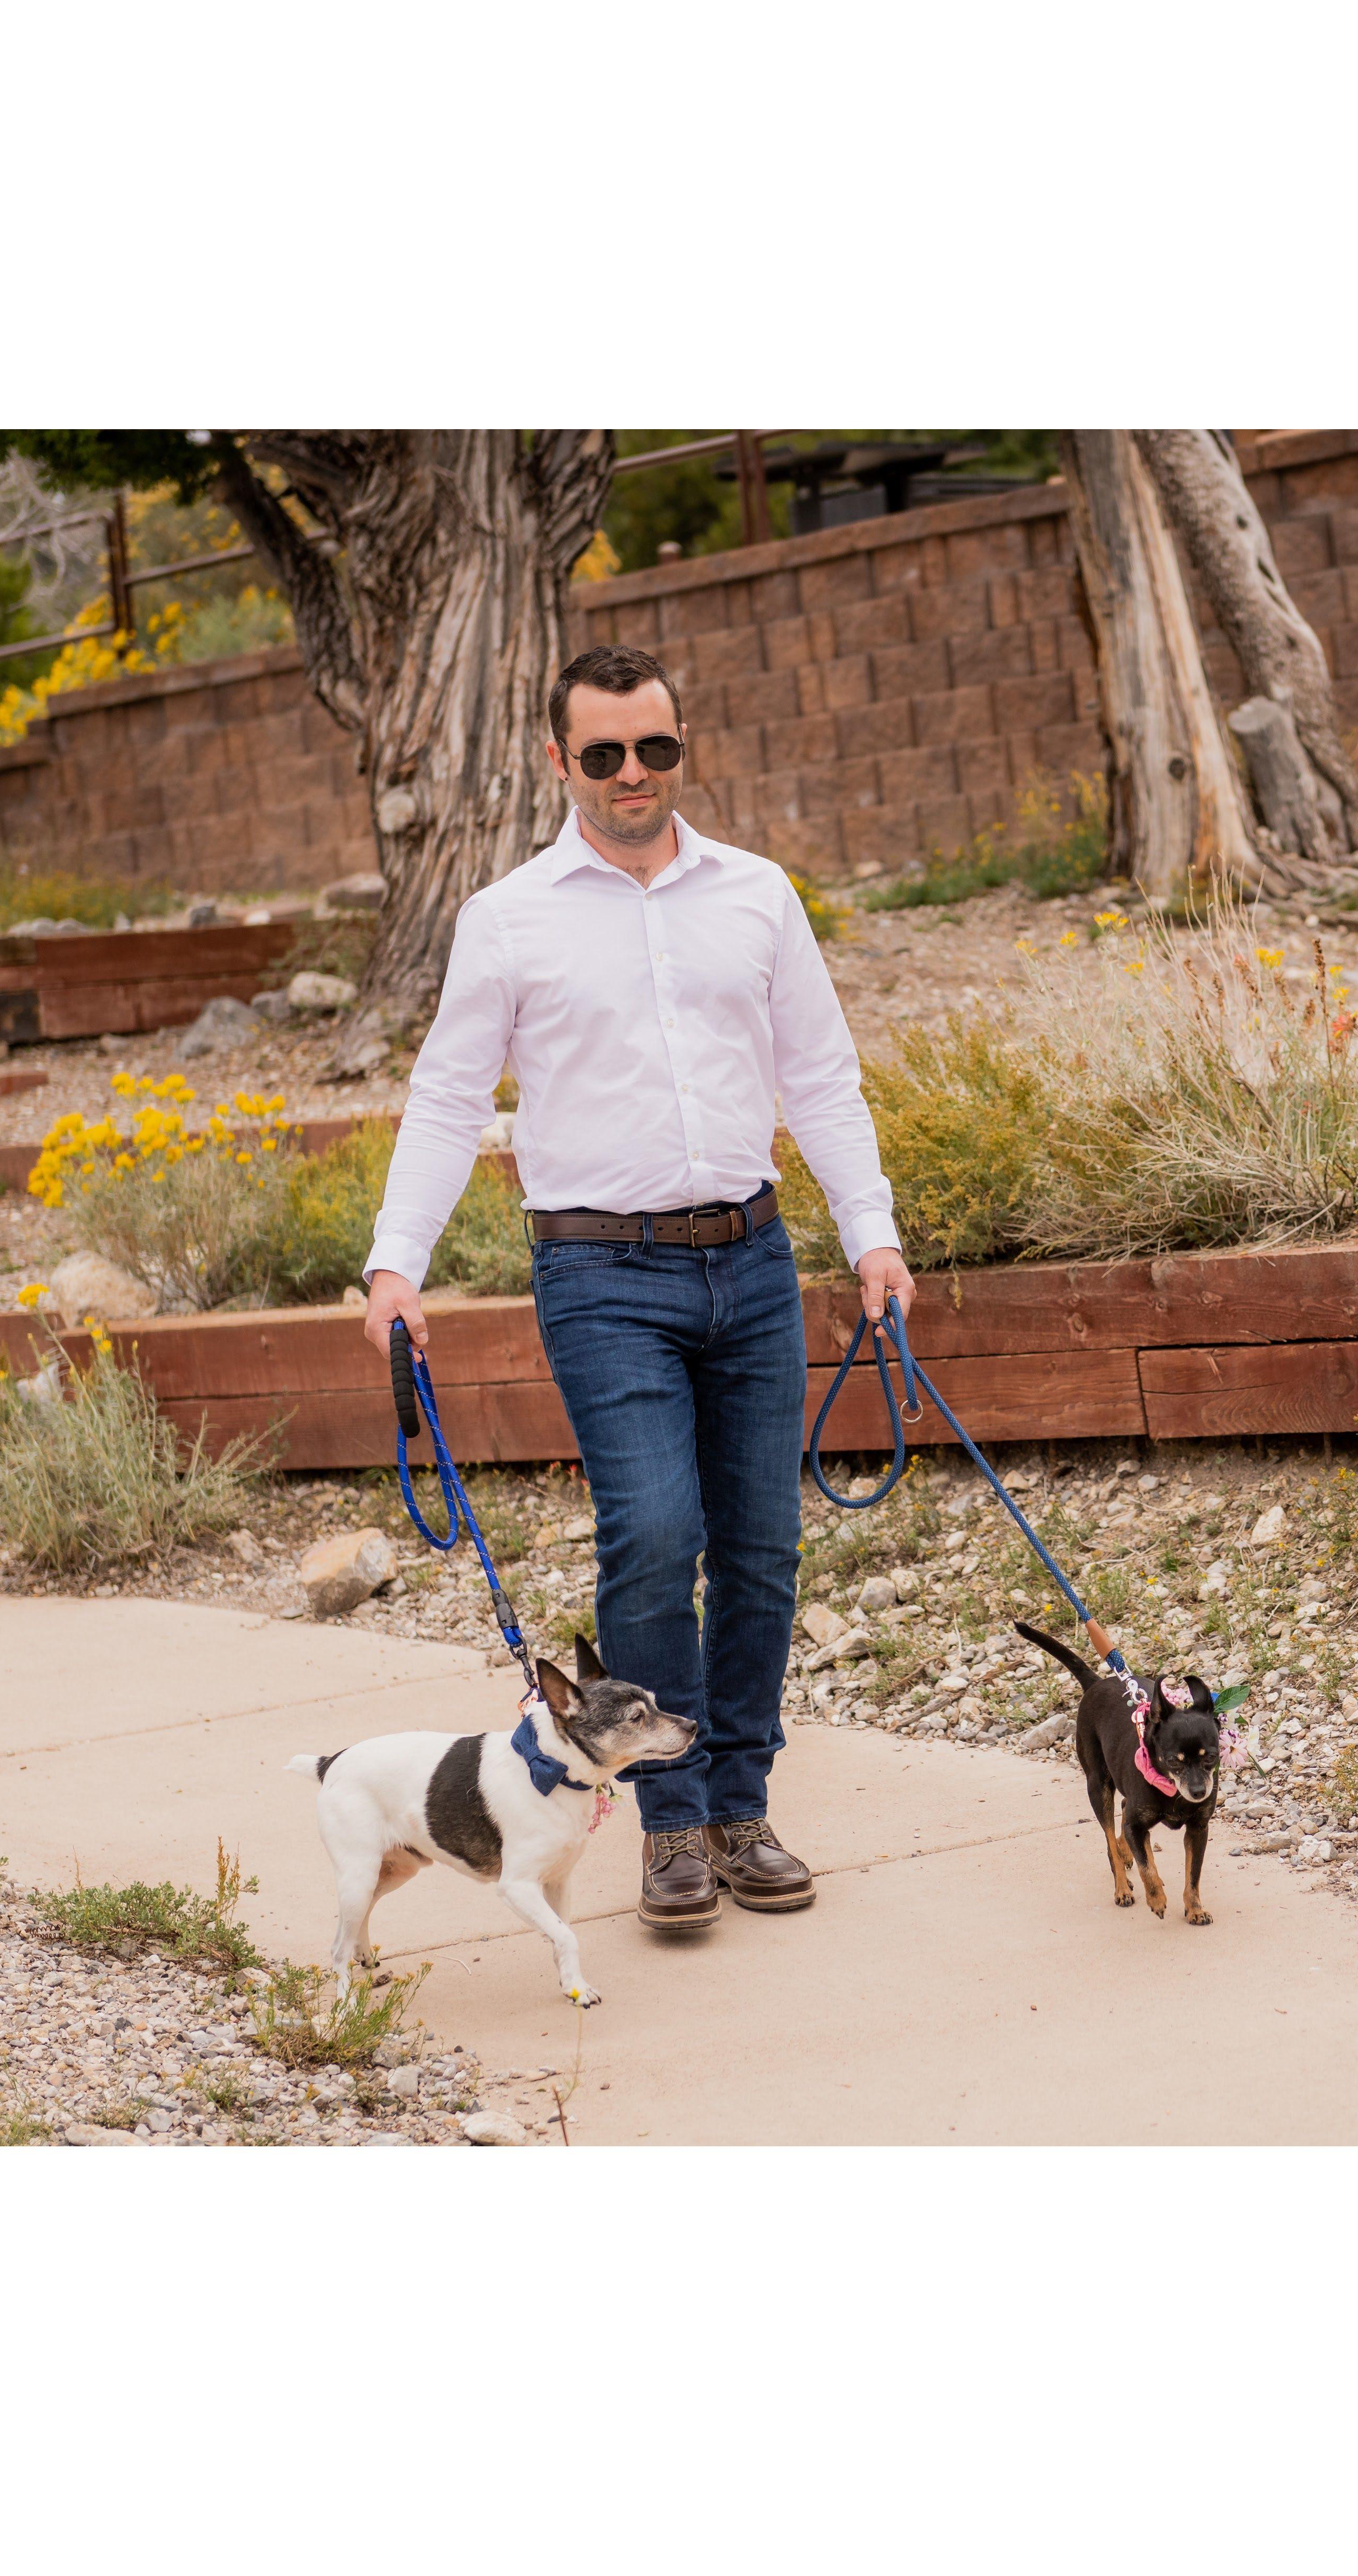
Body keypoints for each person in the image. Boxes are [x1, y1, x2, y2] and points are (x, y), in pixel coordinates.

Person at [360, 641, 913, 1934]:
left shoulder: (758, 895)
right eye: (600, 753)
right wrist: (398, 1263)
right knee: (656, 1536)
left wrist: (871, 1233)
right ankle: (667, 1822)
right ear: (559, 761)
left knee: (764, 1549)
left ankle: (737, 1799)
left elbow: (821, 1076)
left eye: (652, 748)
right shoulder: (507, 917)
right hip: (600, 1270)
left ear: (681, 747)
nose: (629, 774)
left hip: (755, 1260)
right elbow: (449, 1098)